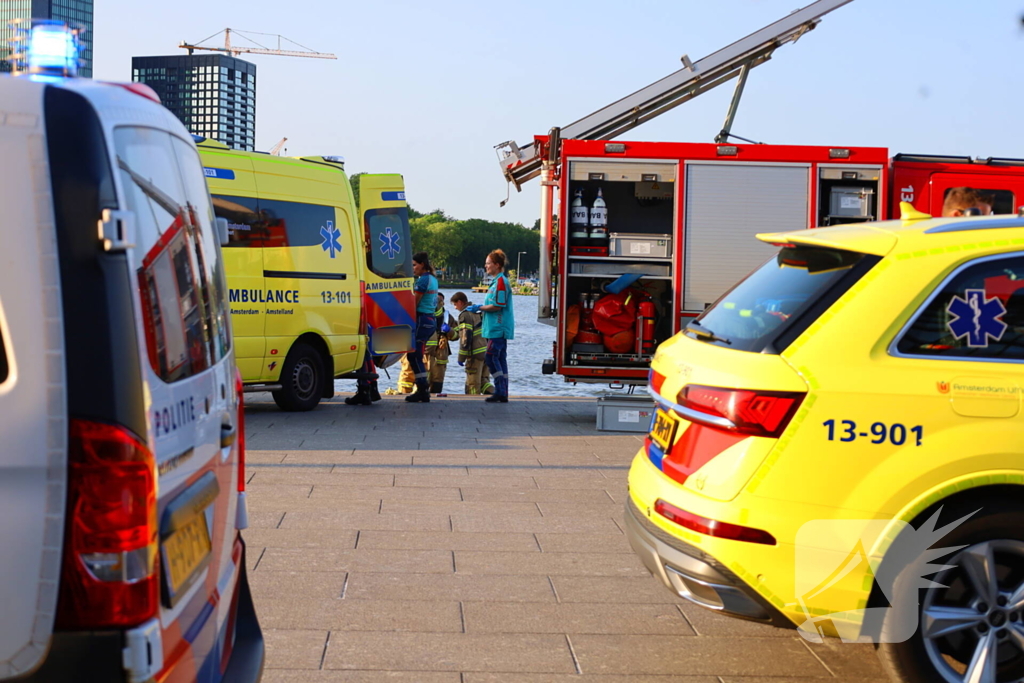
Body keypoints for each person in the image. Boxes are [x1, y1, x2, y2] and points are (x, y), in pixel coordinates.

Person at [467, 249, 514, 403]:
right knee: (500, 359)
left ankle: (500, 390)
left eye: (488, 263)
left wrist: (479, 307)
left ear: (497, 265)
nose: (485, 266)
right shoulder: (496, 282)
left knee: (491, 357)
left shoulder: (500, 282)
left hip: (497, 327)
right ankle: (503, 392)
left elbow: (498, 305)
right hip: (494, 327)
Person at [405, 252, 438, 403]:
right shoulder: (433, 278)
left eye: (414, 265)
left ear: (422, 265)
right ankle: (423, 389)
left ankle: (422, 389)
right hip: (430, 319)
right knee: (417, 355)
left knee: (414, 356)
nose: (413, 268)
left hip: (422, 319)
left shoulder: (423, 280)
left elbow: (414, 304)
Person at [451, 291, 494, 395]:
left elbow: (465, 338)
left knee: (472, 384)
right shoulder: (478, 311)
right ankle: (497, 394)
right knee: (484, 381)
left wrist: (461, 358)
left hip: (475, 354)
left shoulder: (465, 315)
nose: (455, 308)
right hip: (486, 351)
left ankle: (473, 401)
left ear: (460, 302)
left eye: (455, 304)